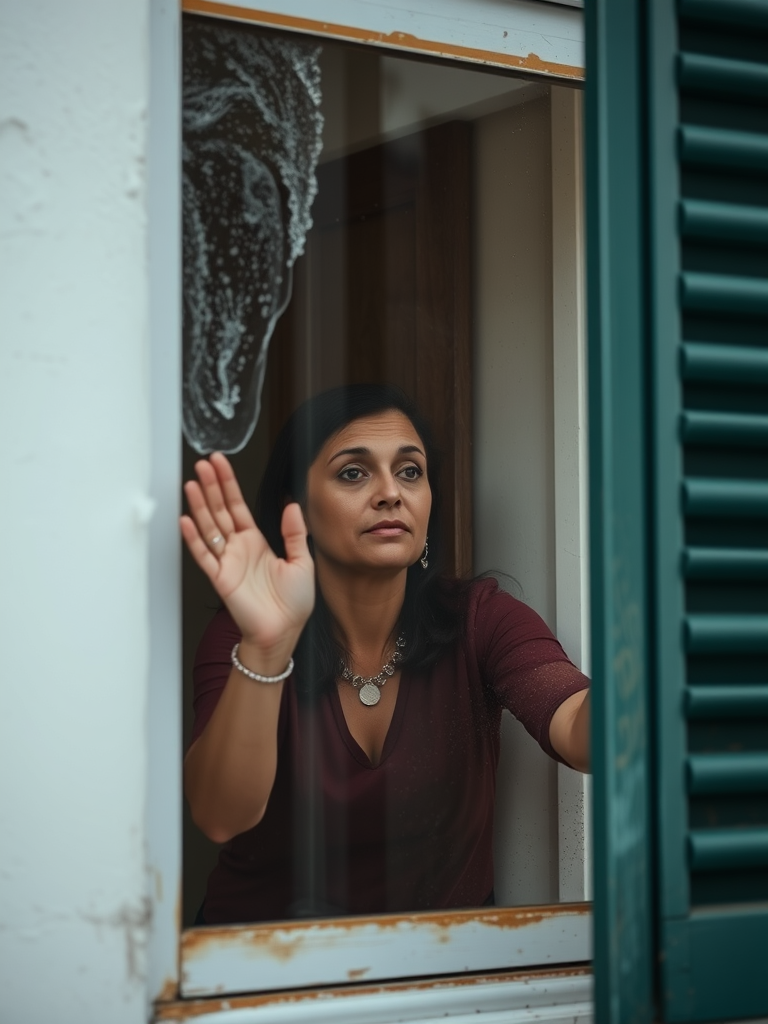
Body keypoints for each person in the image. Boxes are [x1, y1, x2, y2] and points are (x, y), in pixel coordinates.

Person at [181, 384, 590, 924]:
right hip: (266, 968)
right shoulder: (244, 632)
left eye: (410, 471)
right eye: (354, 472)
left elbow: (583, 737)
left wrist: (649, 630)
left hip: (443, 971)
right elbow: (220, 816)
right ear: (295, 510)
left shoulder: (478, 618)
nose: (391, 493)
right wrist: (266, 645)